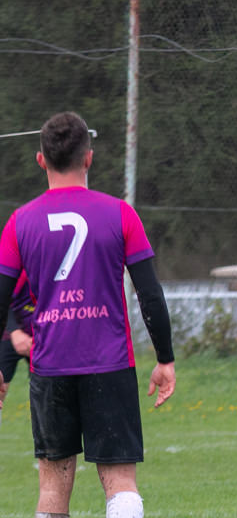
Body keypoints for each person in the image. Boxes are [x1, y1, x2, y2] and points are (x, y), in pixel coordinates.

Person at [0, 112, 176, 518]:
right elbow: (150, 294)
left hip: (50, 367)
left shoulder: (19, 222)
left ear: (41, 161)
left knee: (52, 487)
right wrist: (164, 358)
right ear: (89, 159)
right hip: (109, 363)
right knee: (121, 483)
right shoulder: (120, 214)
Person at [0, 272, 35, 427]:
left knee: (51, 396)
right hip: (10, 333)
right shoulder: (17, 259)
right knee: (1, 388)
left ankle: (51, 448)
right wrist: (14, 331)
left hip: (45, 335)